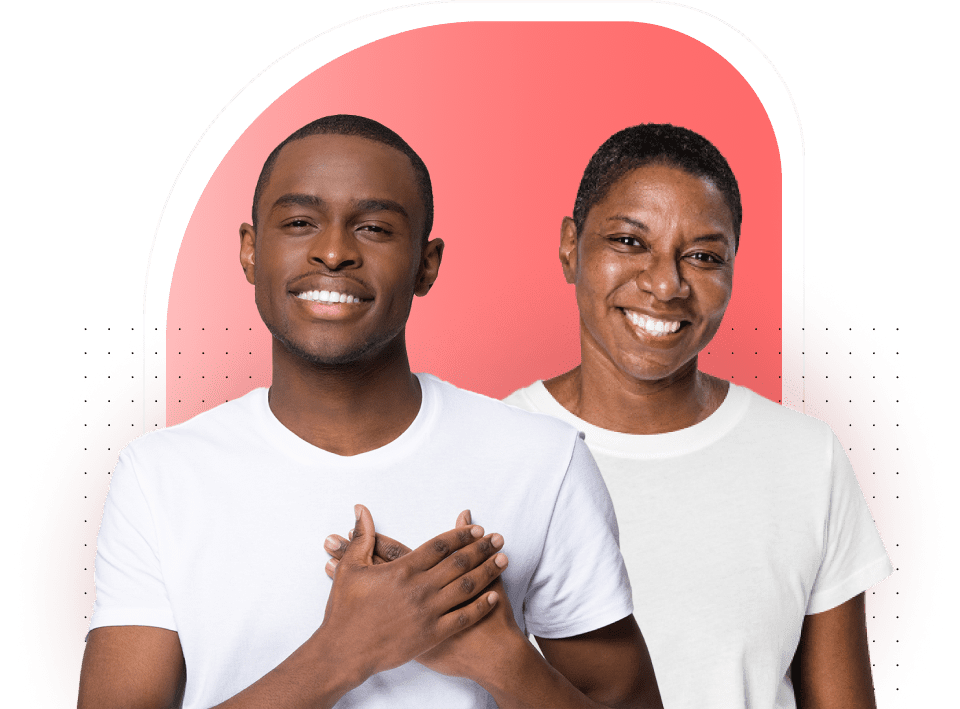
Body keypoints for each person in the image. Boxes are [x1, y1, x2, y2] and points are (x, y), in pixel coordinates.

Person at [78, 114, 662, 709]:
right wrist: (342, 653)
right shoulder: (160, 475)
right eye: (301, 223)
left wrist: (502, 659)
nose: (334, 252)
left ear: (426, 265)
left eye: (376, 228)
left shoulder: (542, 461)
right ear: (250, 253)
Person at [503, 124, 894, 709]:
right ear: (569, 247)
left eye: (703, 256)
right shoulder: (491, 447)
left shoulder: (803, 456)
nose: (666, 284)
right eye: (630, 242)